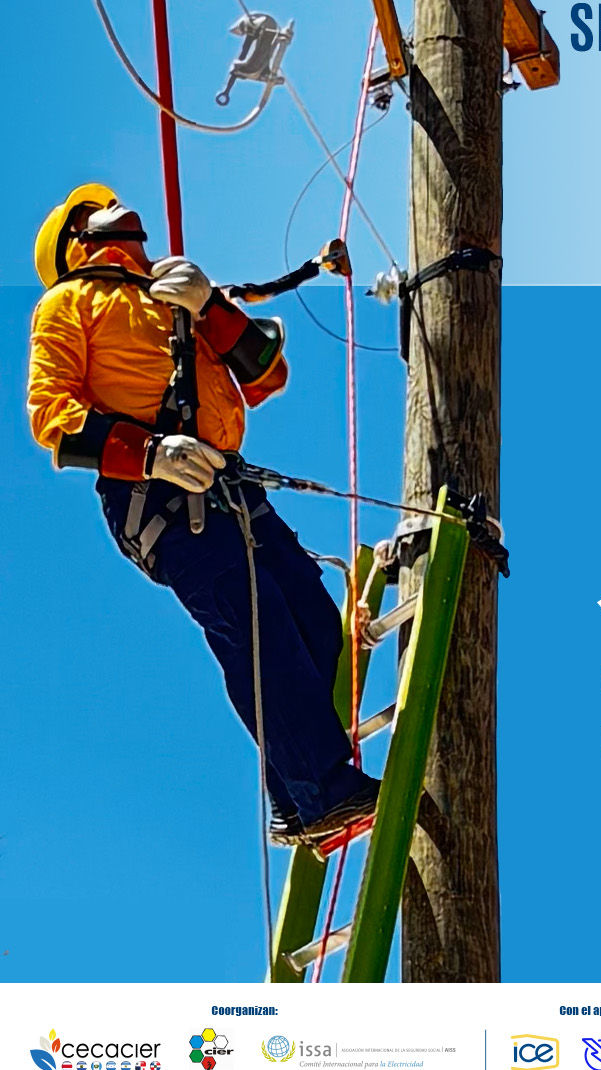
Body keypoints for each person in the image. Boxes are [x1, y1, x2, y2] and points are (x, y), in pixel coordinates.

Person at [27, 182, 380, 847]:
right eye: (91, 214)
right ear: (77, 244)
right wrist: (150, 453)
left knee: (311, 619)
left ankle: (295, 800)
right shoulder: (69, 303)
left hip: (228, 486)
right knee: (258, 629)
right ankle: (323, 790)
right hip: (161, 497)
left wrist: (209, 306)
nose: (113, 211)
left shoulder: (172, 295)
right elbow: (53, 417)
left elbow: (266, 376)